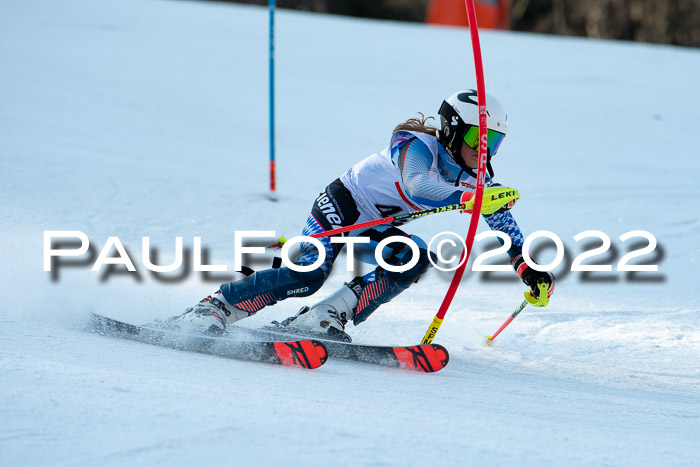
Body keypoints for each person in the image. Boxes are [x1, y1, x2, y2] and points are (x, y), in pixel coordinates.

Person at [169, 89, 555, 338]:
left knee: (412, 259)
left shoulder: (478, 174)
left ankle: (324, 317)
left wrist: (526, 265)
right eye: (477, 138)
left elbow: (500, 218)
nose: (484, 151)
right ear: (452, 130)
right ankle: (216, 308)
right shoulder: (417, 144)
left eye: (495, 143)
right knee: (308, 275)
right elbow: (418, 185)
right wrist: (468, 197)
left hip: (377, 227)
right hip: (343, 205)